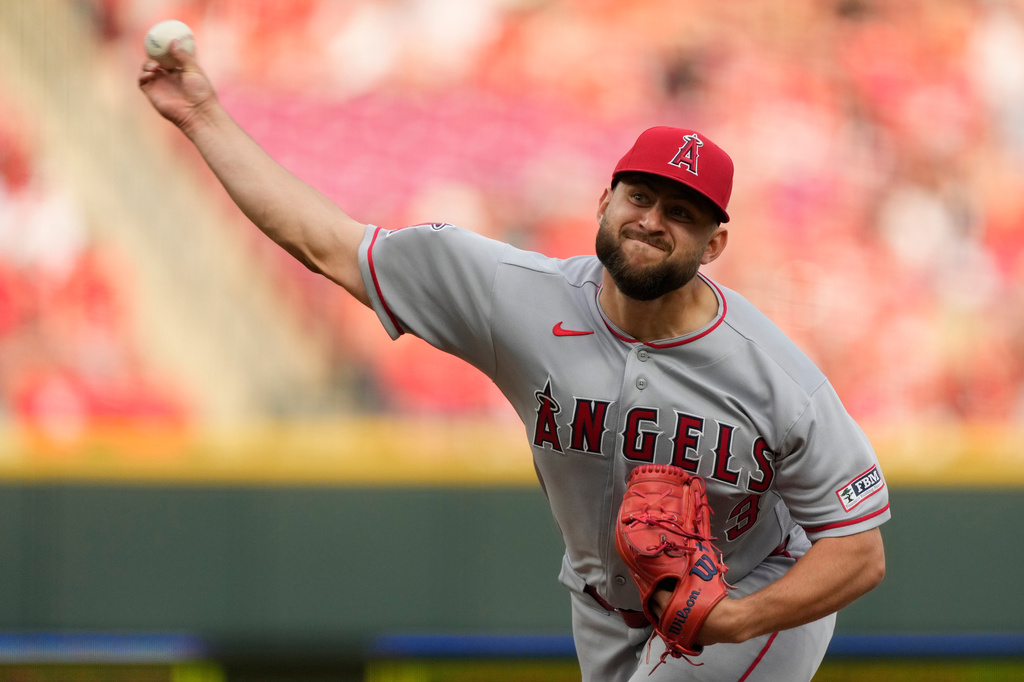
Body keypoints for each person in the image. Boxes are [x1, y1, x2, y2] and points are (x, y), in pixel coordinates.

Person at [139, 40, 889, 682]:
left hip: (750, 590)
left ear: (714, 244)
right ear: (604, 199)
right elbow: (328, 244)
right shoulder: (514, 296)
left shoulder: (774, 375)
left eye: (682, 213)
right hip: (602, 604)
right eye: (640, 197)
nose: (652, 221)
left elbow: (859, 553)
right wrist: (201, 116)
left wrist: (738, 619)